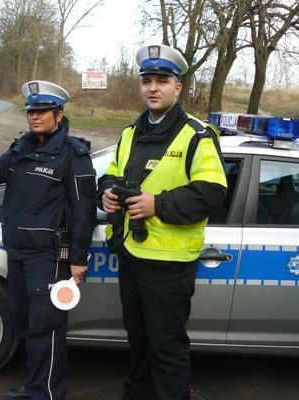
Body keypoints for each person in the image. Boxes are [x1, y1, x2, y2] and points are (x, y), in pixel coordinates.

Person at [98, 45, 227, 400]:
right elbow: (110, 175)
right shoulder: (130, 133)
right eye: (147, 81)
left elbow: (212, 193)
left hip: (169, 266)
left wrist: (158, 204)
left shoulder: (197, 135)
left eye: (162, 81)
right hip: (131, 256)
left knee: (167, 349)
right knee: (137, 342)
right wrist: (106, 192)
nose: (152, 88)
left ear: (178, 87)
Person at [0, 80, 97, 400]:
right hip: (17, 252)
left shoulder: (73, 154)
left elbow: (84, 210)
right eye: (31, 111)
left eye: (41, 111)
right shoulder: (23, 145)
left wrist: (78, 258)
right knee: (26, 325)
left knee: (47, 330)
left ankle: (48, 394)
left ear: (59, 113)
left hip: (49, 258)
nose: (34, 117)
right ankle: (34, 385)